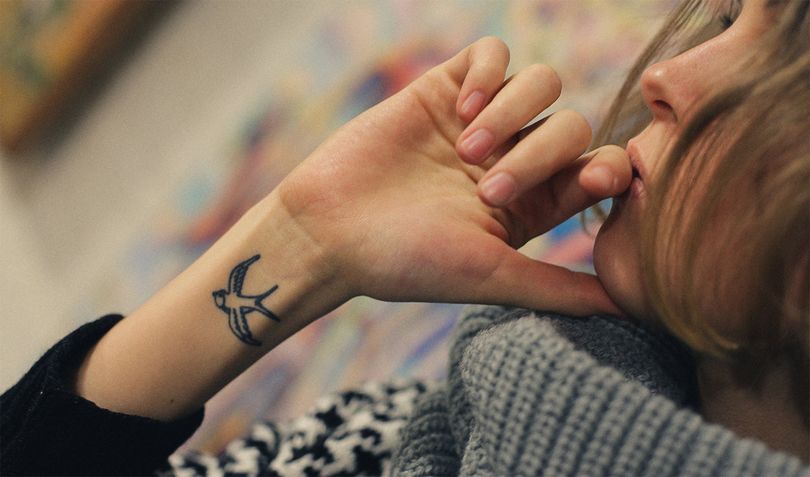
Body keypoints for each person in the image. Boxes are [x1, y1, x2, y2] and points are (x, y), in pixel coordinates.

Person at [2, 0, 808, 474]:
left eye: (788, 67)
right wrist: (301, 242)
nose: (667, 75)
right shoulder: (398, 434)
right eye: (727, 17)